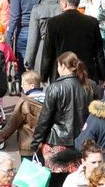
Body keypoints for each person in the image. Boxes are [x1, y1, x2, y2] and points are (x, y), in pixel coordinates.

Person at [32, 52, 95, 187]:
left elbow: (45, 119)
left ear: (62, 66)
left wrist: (36, 142)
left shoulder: (55, 87)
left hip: (58, 143)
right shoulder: (90, 85)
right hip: (83, 142)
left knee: (57, 181)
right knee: (81, 180)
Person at [41, 0, 105, 84]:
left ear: (64, 3)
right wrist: (102, 75)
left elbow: (48, 53)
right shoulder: (91, 22)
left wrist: (44, 75)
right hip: (86, 74)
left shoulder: (53, 23)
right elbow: (99, 53)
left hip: (61, 74)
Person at [0, 70, 45, 151]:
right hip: (46, 145)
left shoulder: (24, 102)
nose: (21, 86)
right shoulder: (49, 100)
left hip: (28, 145)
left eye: (23, 83)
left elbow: (11, 125)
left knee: (28, 164)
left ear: (32, 86)